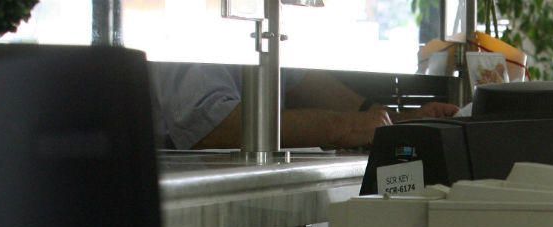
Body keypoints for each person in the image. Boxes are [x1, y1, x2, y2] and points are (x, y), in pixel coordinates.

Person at [150, 63, 458, 151]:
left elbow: (298, 80)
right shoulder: (195, 14)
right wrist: (345, 127)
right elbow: (211, 124)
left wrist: (397, 120)